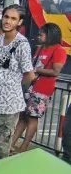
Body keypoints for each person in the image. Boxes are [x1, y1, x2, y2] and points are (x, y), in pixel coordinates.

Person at [0, 4, 35, 162]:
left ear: (20, 22)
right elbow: (1, 67)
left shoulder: (22, 44)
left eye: (13, 18)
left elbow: (29, 74)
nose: (8, 21)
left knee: (3, 144)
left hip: (10, 102)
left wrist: (16, 89)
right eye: (6, 17)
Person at [11, 23, 67, 154]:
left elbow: (55, 71)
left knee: (32, 118)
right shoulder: (40, 49)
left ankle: (23, 147)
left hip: (42, 90)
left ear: (50, 35)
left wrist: (35, 70)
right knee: (23, 117)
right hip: (31, 87)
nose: (38, 37)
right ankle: (11, 144)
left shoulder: (58, 50)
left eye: (41, 34)